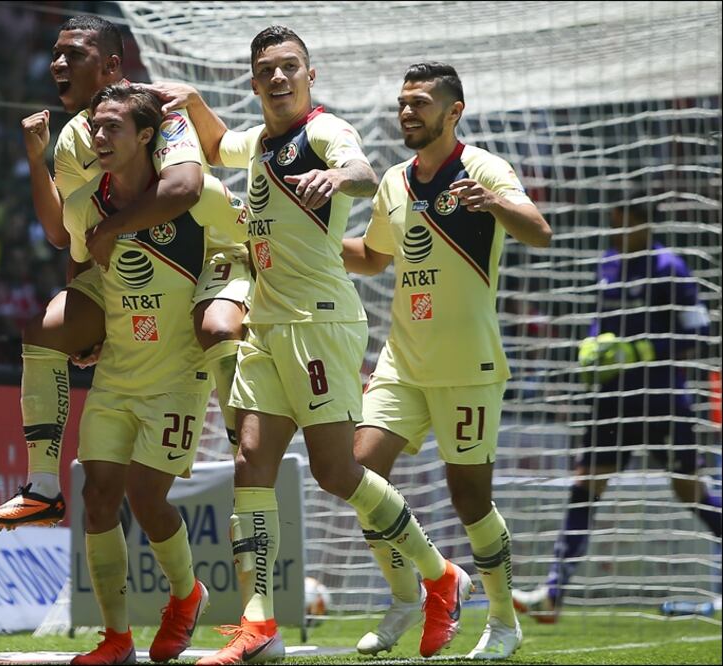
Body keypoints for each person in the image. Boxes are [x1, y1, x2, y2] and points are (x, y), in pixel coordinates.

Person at [150, 29, 475, 664]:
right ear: (253, 81)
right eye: (266, 70)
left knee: (336, 472)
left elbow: (360, 170)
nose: (278, 79)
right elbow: (216, 145)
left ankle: (441, 576)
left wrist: (335, 177)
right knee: (250, 459)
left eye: (289, 68)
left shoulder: (324, 131)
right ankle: (260, 621)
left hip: (321, 322)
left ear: (310, 74)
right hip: (266, 323)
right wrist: (190, 98)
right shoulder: (257, 141)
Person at [0, 15, 250, 531]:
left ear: (111, 66)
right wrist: (90, 305)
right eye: (55, 54)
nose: (58, 63)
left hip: (202, 257)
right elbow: (69, 231)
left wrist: (113, 231)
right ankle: (42, 488)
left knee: (215, 329)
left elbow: (185, 188)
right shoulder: (76, 139)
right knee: (45, 331)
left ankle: (248, 449)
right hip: (126, 270)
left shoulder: (159, 110)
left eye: (73, 54)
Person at [340, 62, 552, 660]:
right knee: (358, 474)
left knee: (469, 500)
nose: (408, 111)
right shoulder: (394, 181)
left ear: (453, 111)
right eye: (403, 102)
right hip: (403, 362)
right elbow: (374, 258)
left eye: (421, 102)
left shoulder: (484, 168)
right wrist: (314, 239)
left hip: (468, 367)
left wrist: (492, 202)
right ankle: (415, 593)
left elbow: (539, 231)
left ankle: (504, 623)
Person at [65, 84, 248, 666]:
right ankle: (115, 639)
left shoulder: (202, 197)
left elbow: (250, 247)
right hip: (117, 372)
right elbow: (81, 267)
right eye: (96, 126)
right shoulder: (83, 204)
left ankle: (187, 595)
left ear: (148, 136)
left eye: (113, 127)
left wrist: (229, 303)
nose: (99, 137)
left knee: (147, 497)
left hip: (178, 375)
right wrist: (84, 329)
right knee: (97, 497)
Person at [511, 196, 720, 623]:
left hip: (662, 399)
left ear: (643, 224)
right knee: (587, 484)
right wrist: (592, 343)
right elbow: (600, 320)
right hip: (613, 401)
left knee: (689, 492)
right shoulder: (609, 262)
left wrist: (643, 348)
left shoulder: (671, 268)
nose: (614, 232)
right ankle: (552, 594)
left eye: (621, 223)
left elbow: (698, 333)